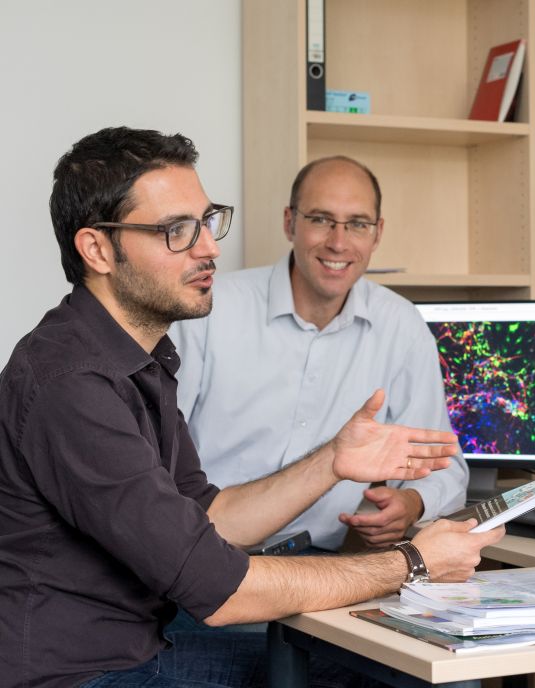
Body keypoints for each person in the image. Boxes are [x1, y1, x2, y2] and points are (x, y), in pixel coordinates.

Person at [0, 126, 504, 687]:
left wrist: (334, 458)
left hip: (141, 646)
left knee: (410, 673)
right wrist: (412, 564)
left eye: (208, 221)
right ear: (97, 249)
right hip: (85, 675)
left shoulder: (141, 357)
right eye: (176, 231)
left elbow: (210, 518)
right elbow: (219, 590)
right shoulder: (73, 384)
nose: (210, 247)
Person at [170, 155, 465, 552]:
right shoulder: (210, 308)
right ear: (290, 222)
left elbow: (444, 465)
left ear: (377, 234)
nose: (338, 242)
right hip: (206, 550)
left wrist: (411, 503)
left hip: (318, 561)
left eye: (357, 224)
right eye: (321, 219)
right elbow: (155, 457)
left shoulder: (400, 324)